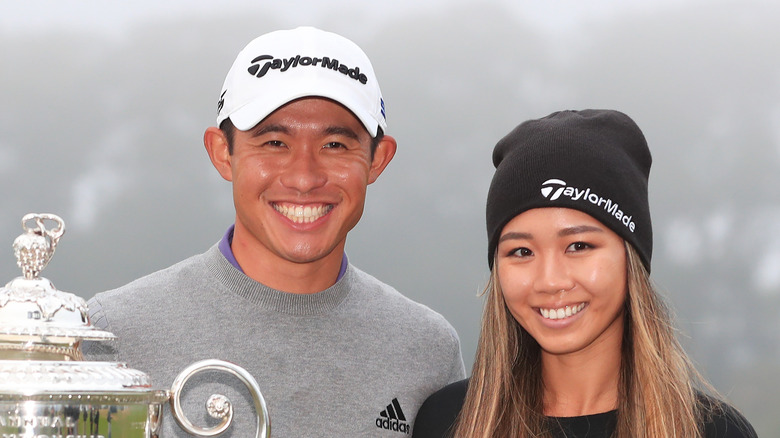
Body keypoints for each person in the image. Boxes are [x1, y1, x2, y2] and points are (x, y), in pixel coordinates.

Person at [85, 26, 465, 437]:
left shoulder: (427, 349)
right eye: (274, 144)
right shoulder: (112, 335)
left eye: (335, 145)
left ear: (377, 160)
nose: (304, 177)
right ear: (222, 153)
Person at [412, 109, 757, 438]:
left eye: (578, 246)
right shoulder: (445, 422)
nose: (550, 281)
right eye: (522, 252)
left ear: (630, 255)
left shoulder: (713, 431)